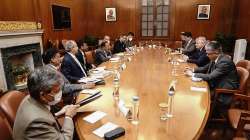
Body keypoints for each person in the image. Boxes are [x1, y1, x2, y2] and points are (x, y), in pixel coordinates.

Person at [13, 66, 79, 139]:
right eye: (57, 91)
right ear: (42, 95)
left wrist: (58, 113)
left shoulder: (30, 97)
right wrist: (68, 117)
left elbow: (43, 113)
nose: (60, 93)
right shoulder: (36, 123)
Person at [186, 41, 239, 116]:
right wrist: (193, 70)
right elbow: (205, 68)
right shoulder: (215, 58)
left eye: (208, 53)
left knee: (196, 94)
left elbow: (210, 76)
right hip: (215, 84)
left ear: (216, 52)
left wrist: (193, 74)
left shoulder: (224, 61)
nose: (207, 55)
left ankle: (201, 115)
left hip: (223, 91)